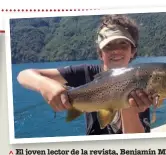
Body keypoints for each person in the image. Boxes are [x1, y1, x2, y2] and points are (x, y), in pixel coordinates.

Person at [17, 14, 153, 135]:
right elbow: (24, 75)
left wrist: (129, 107)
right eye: (108, 46)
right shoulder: (87, 73)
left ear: (133, 51)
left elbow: (134, 142)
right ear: (100, 53)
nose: (116, 50)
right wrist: (44, 85)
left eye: (123, 44)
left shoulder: (141, 80)